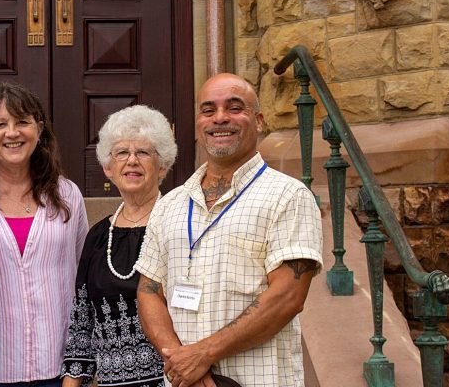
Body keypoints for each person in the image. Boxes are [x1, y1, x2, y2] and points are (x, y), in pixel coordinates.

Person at [135, 73, 323, 387]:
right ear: (198, 123)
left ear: (260, 121)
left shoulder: (288, 196)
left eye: (234, 108)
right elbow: (148, 290)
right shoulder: (171, 204)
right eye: (208, 110)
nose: (220, 118)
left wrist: (202, 355)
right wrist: (181, 363)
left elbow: (288, 296)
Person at [0, 82, 88, 387]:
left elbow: (82, 279)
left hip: (60, 369)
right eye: (0, 124)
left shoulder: (67, 195)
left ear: (39, 130)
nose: (12, 133)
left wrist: (79, 368)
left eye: (22, 122)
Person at [61, 105, 177, 387]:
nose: (132, 161)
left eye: (144, 152)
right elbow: (81, 326)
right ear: (108, 168)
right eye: (122, 153)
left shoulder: (177, 225)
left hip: (173, 380)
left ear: (162, 165)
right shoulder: (99, 236)